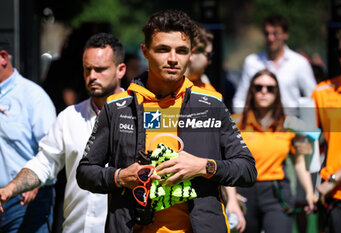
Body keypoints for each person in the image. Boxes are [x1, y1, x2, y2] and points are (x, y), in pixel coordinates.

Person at [76, 9, 257, 233]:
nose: (173, 59)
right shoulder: (116, 107)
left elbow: (247, 169)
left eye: (181, 51)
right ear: (145, 51)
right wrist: (121, 177)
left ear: (190, 54)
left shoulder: (212, 105)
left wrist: (203, 167)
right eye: (163, 49)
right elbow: (85, 173)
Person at [0, 33, 126, 233]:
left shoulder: (140, 115)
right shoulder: (70, 117)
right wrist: (9, 190)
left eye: (100, 69)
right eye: (87, 69)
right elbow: (44, 163)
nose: (92, 76)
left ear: (120, 70)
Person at [233, 69, 316, 233]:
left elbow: (299, 162)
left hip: (276, 192)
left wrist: (309, 192)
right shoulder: (237, 122)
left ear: (277, 93)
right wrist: (230, 197)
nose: (264, 92)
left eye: (270, 88)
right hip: (244, 192)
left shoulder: (290, 123)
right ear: (251, 91)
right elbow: (228, 162)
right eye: (259, 87)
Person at [185, 23, 246, 232]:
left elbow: (224, 153)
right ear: (193, 53)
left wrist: (232, 200)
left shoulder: (211, 94)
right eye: (208, 55)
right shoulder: (157, 91)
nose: (210, 61)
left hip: (204, 203)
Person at [0, 39, 56, 232]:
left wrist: (34, 182)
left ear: (3, 58)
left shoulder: (33, 97)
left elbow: (51, 153)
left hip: (24, 201)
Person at [233, 14, 316, 115]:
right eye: (267, 34)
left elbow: (312, 99)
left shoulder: (300, 63)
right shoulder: (252, 62)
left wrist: (305, 126)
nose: (270, 38)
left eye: (275, 34)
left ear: (285, 34)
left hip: (290, 124)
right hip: (258, 126)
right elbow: (240, 100)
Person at [313, 27, 341, 233]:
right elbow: (305, 138)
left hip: (332, 185)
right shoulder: (322, 92)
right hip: (334, 198)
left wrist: (333, 180)